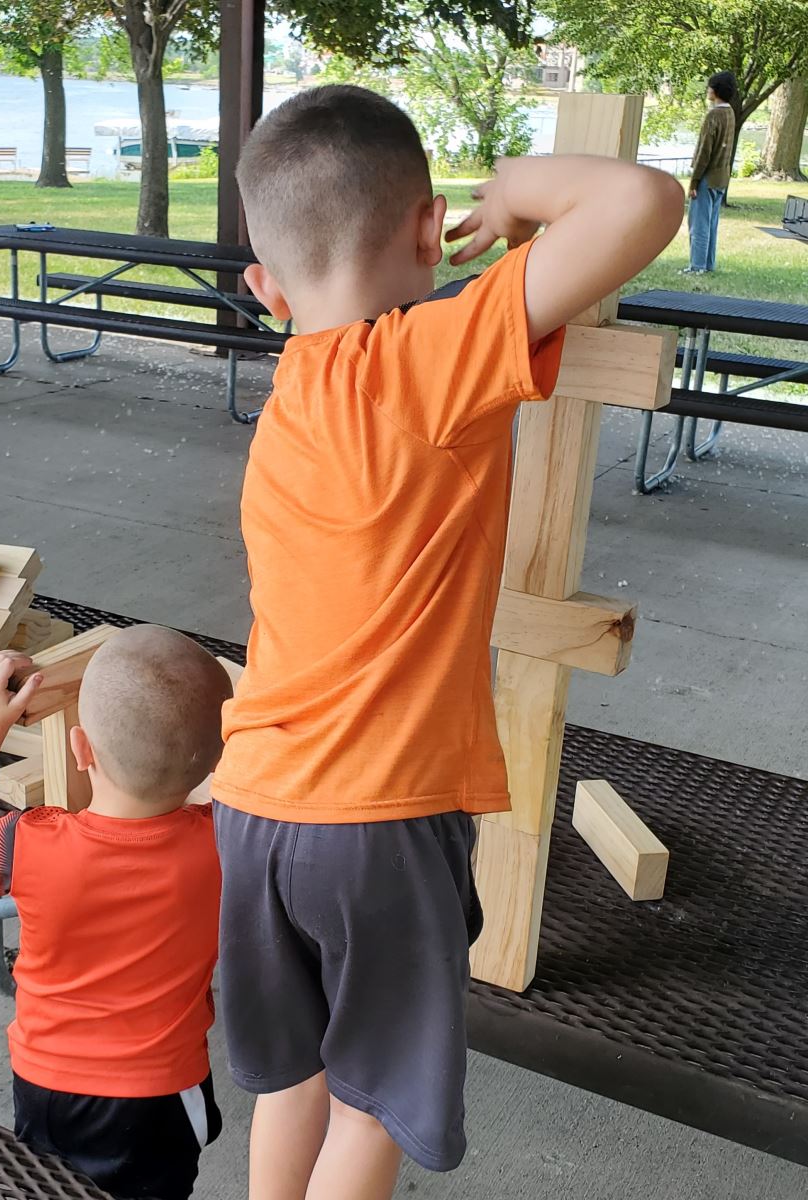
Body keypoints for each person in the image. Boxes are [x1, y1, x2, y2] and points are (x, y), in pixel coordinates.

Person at [211, 84, 683, 1200]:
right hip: (377, 821)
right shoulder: (424, 359)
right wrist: (518, 186)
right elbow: (642, 203)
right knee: (375, 1101)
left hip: (254, 804)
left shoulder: (293, 388)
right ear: (428, 232)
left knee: (294, 1084)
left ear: (263, 289)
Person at [0, 626, 231, 1200]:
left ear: (81, 749)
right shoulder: (227, 845)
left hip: (45, 1083)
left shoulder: (27, 845)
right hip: (160, 1096)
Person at [685, 71, 737, 275]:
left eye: (709, 87)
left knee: (699, 224)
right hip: (722, 177)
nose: (707, 90)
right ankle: (707, 264)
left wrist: (694, 182)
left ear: (715, 91)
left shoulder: (713, 115)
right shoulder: (730, 113)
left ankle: (696, 266)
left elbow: (704, 152)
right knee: (712, 223)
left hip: (708, 177)